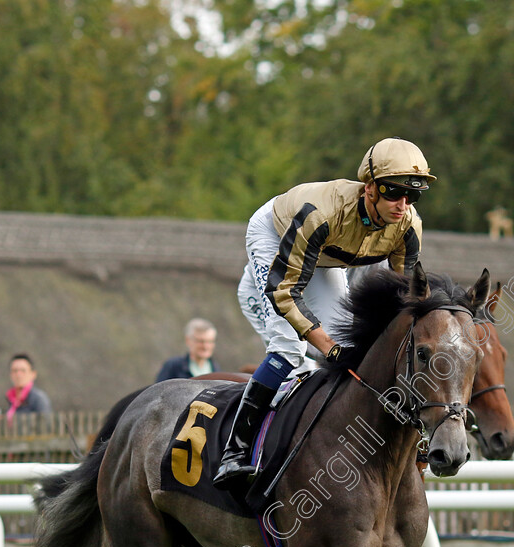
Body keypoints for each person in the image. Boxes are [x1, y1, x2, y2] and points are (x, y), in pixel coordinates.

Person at [213, 136, 435, 490]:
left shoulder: (408, 226)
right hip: (278, 236)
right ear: (370, 189)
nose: (403, 204)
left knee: (354, 345)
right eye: (393, 192)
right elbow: (285, 292)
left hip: (326, 255)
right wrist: (326, 346)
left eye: (413, 195)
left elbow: (400, 302)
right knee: (290, 347)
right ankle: (234, 450)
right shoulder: (320, 214)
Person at [155, 318, 219, 381]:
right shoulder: (173, 367)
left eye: (210, 341)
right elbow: (158, 390)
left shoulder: (216, 370)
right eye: (200, 341)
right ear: (188, 341)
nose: (205, 346)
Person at [5, 353, 52, 424]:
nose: (18, 375)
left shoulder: (38, 398)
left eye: (23, 371)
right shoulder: (10, 398)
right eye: (15, 371)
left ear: (33, 374)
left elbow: (46, 425)